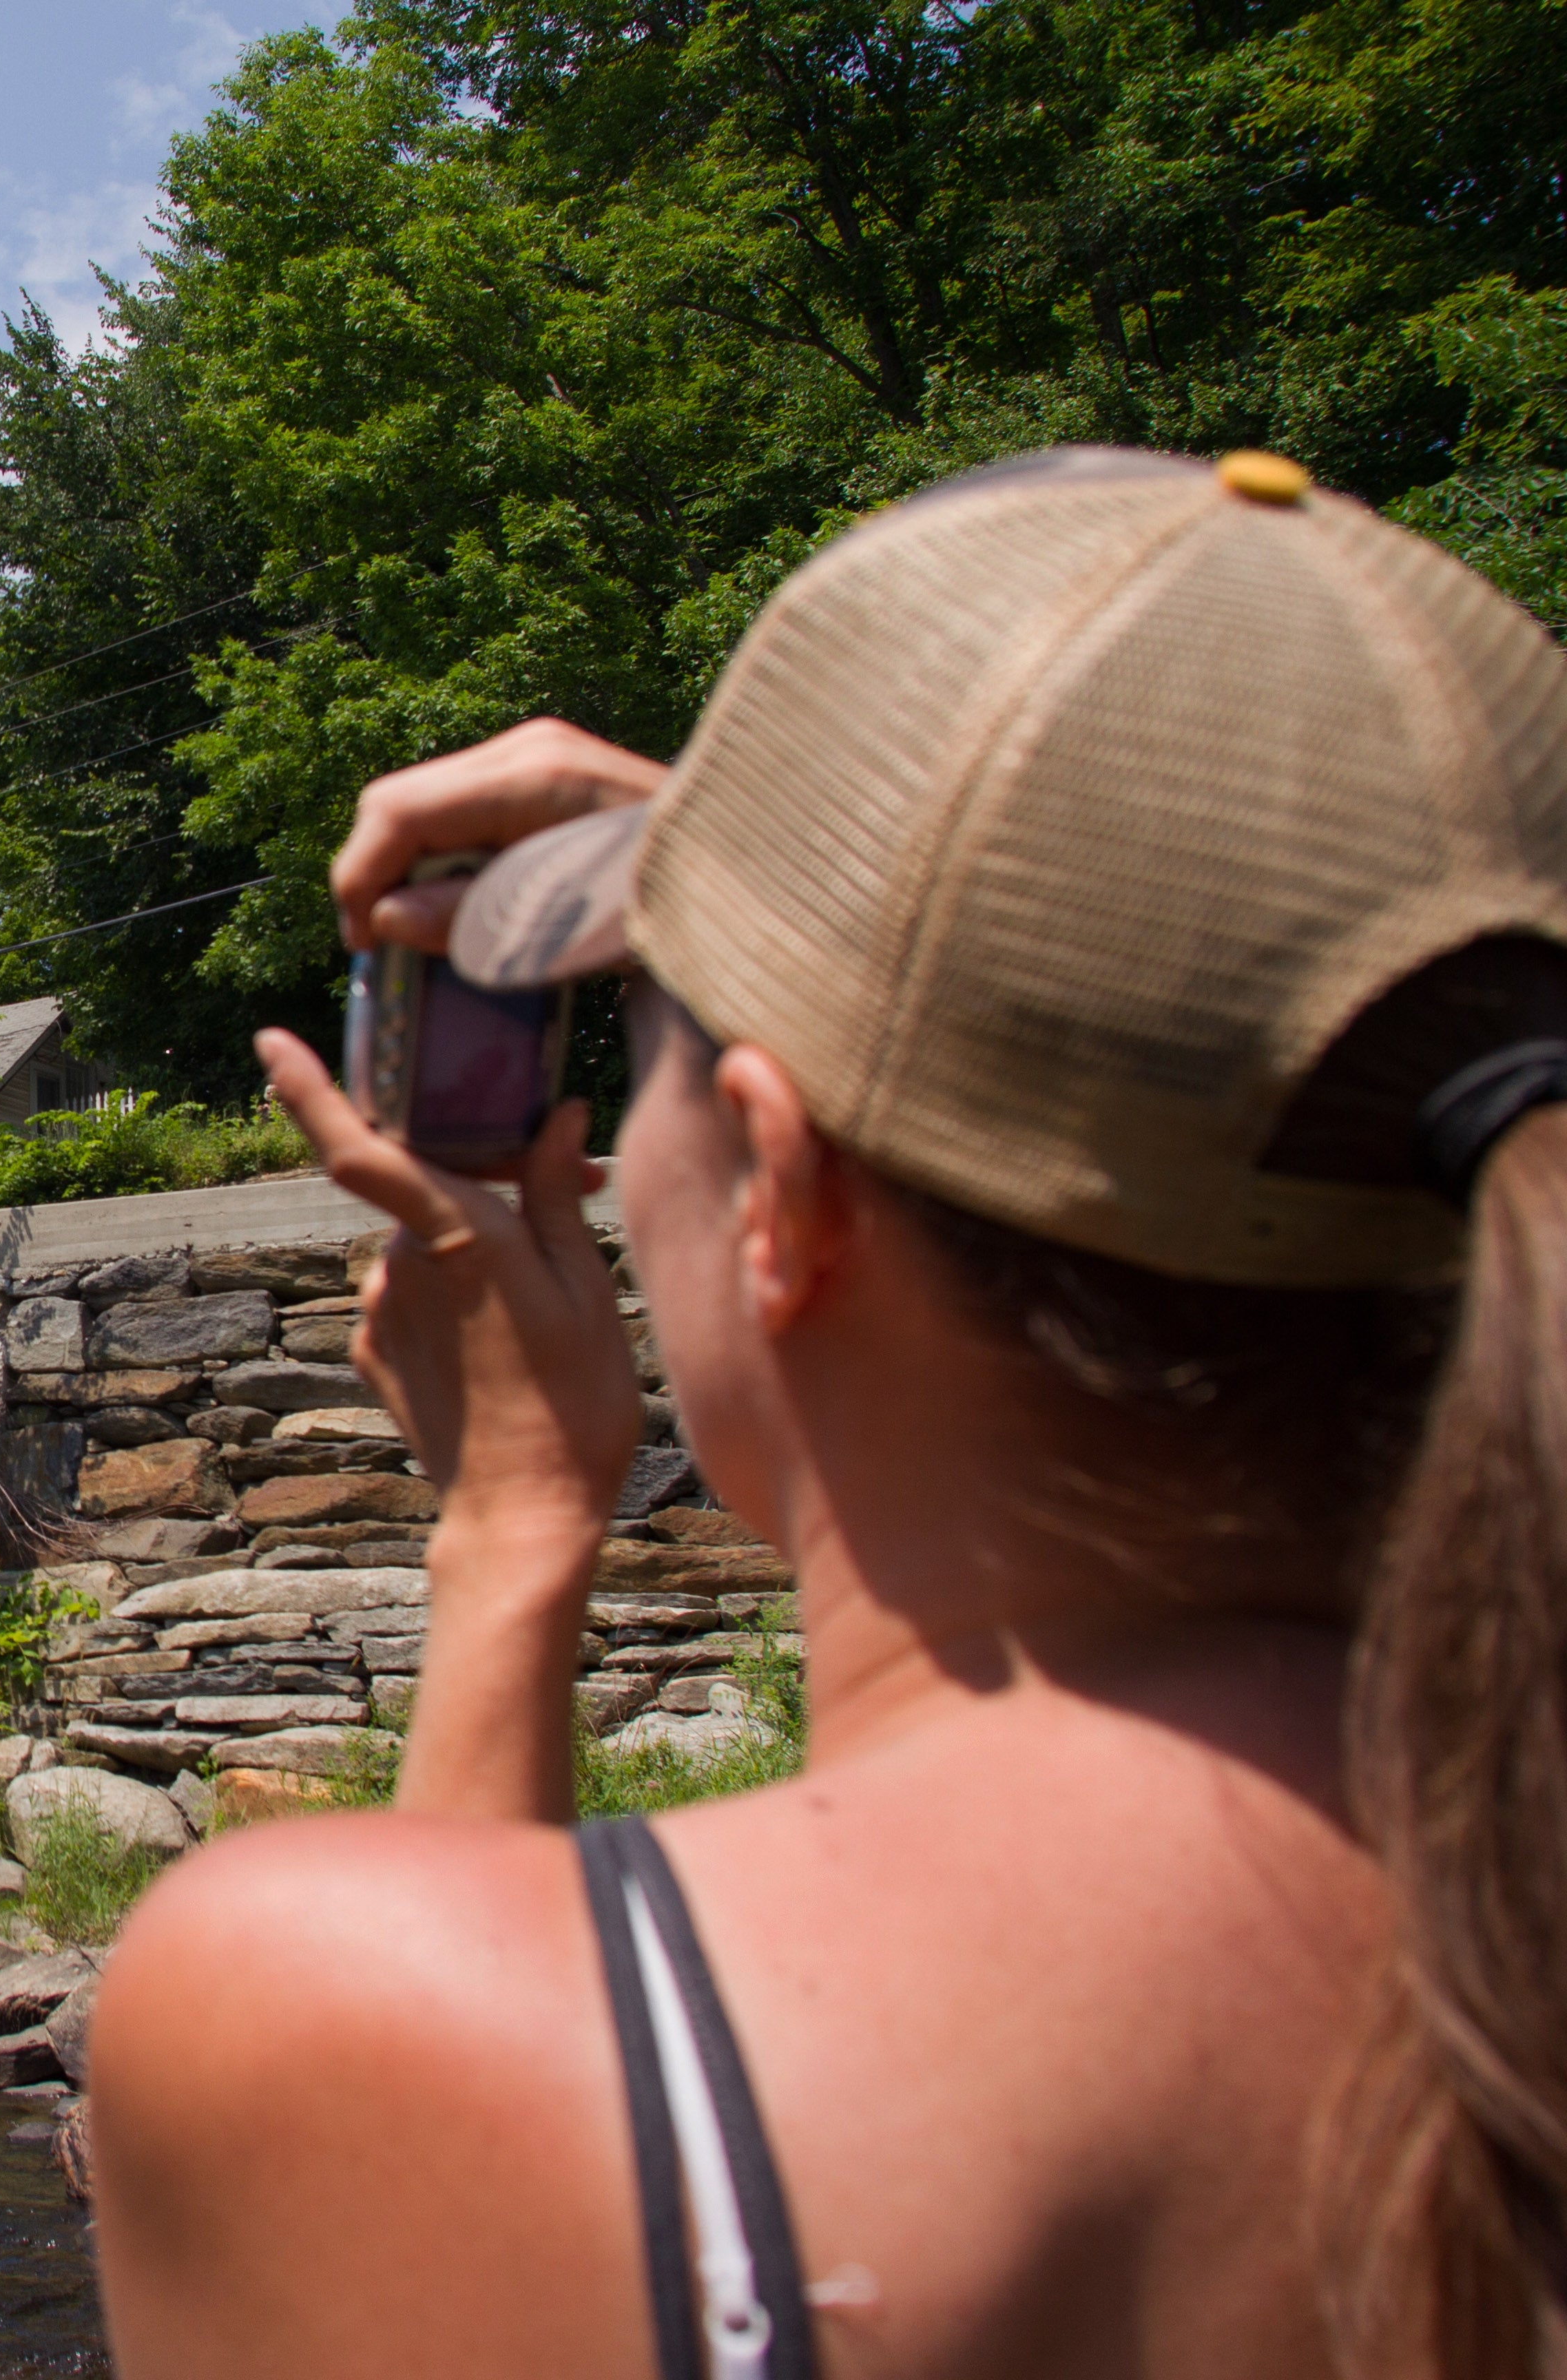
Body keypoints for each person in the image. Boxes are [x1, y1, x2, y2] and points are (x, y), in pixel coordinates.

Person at [85, 446, 1567, 2379]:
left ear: (777, 1189)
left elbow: (479, 2152)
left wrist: (514, 1534)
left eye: (646, 1047)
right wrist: (847, 876)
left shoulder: (325, 2007)